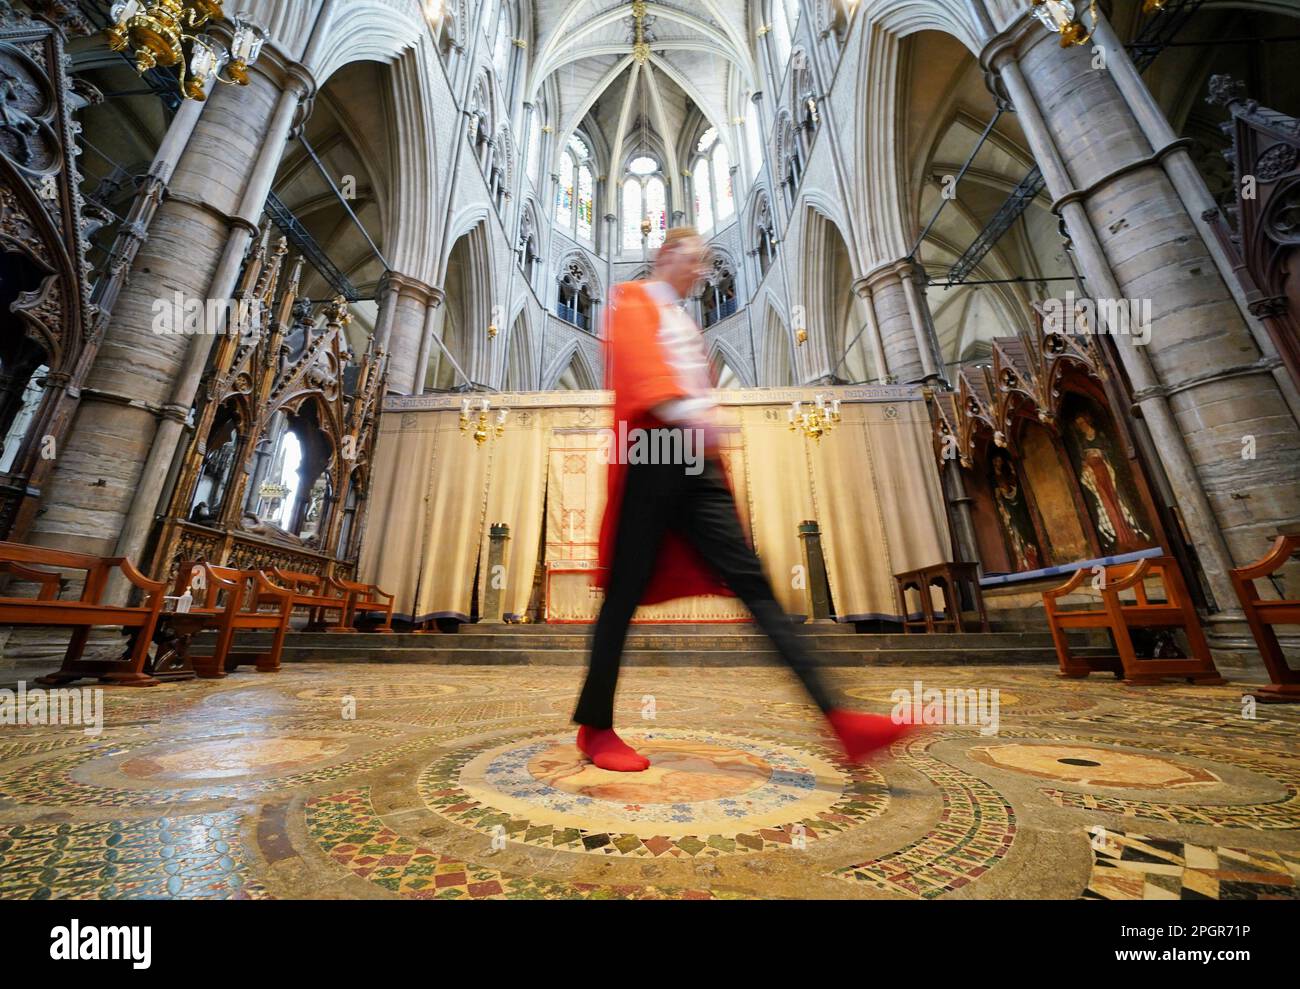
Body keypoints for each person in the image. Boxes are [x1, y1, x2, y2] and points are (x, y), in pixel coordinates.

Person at [572, 227, 915, 772]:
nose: (700, 272)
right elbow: (642, 377)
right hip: (654, 453)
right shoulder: (633, 299)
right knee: (623, 595)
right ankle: (596, 727)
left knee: (754, 585)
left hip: (695, 464)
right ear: (666, 256)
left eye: (705, 264)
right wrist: (696, 417)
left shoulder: (687, 323)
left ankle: (841, 723)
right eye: (693, 260)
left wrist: (705, 430)